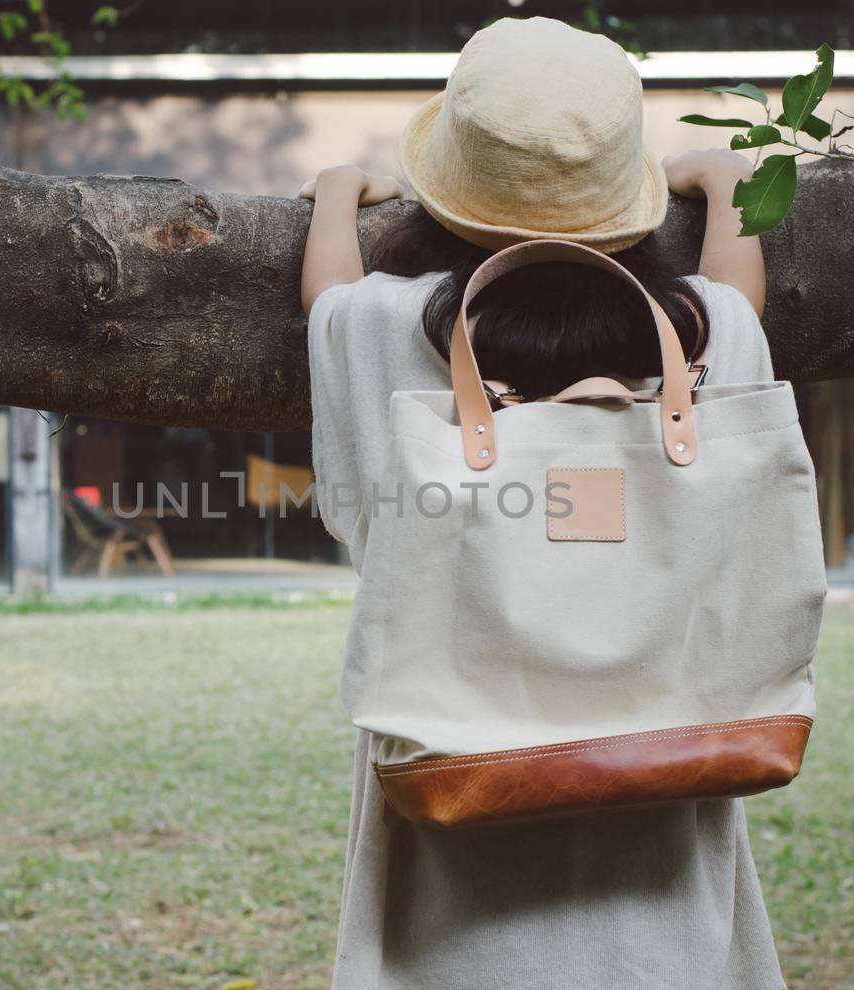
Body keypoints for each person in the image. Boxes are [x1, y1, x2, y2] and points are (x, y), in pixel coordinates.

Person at [297, 16, 789, 990]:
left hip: (458, 776)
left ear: (451, 186)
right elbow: (740, 301)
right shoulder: (690, 339)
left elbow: (327, 306)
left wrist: (334, 197)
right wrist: (727, 188)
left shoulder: (395, 332)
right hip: (659, 762)